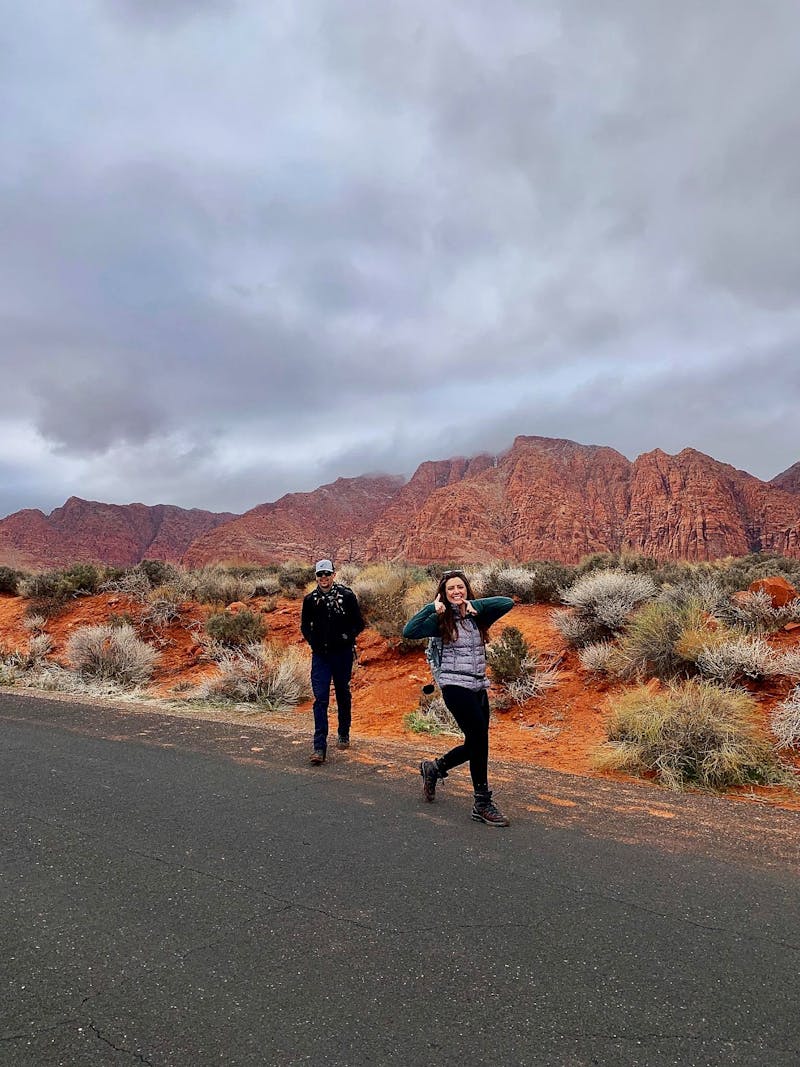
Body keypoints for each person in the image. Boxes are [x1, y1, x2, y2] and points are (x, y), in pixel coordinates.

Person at [403, 570, 514, 826]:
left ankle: (436, 768)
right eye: (451, 588)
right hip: (454, 685)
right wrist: (431, 607)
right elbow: (409, 631)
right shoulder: (439, 621)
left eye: (460, 587)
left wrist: (474, 605)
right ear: (444, 593)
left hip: (477, 685)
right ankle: (482, 802)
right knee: (478, 740)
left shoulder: (478, 616)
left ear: (467, 590)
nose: (456, 592)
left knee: (477, 741)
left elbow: (507, 603)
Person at [301, 559, 365, 765]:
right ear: (316, 577)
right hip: (320, 656)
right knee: (320, 698)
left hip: (342, 654)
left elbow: (359, 623)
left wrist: (347, 637)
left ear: (334, 575)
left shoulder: (346, 596)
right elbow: (305, 626)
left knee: (342, 692)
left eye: (327, 574)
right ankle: (319, 747)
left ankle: (344, 732)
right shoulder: (310, 600)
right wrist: (314, 643)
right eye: (320, 575)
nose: (324, 578)